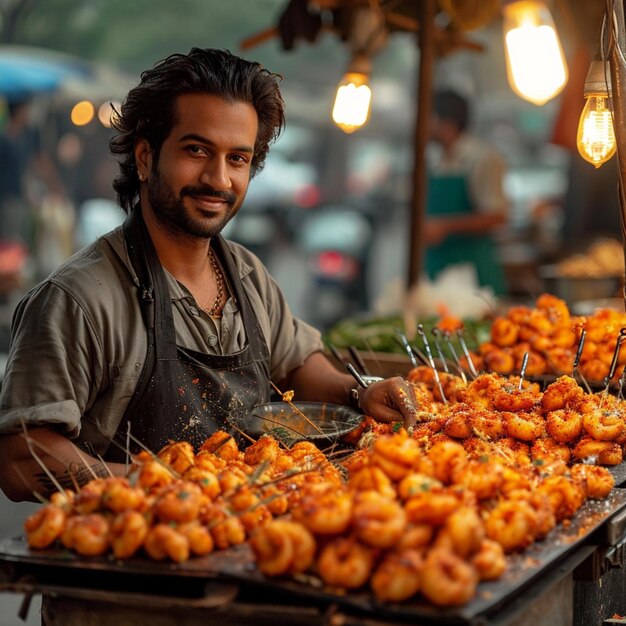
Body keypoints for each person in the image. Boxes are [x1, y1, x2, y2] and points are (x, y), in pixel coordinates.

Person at [0, 48, 419, 503]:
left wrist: (359, 392)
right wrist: (159, 488)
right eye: (197, 150)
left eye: (238, 158)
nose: (218, 179)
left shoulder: (245, 274)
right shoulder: (79, 300)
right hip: (135, 557)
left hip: (248, 539)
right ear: (144, 156)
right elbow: (20, 457)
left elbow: (296, 360)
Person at [424, 89, 509, 295]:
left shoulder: (482, 159)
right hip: (438, 274)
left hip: (474, 276)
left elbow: (497, 216)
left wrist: (444, 227)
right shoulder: (435, 160)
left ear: (446, 122)